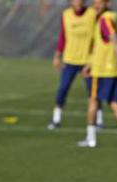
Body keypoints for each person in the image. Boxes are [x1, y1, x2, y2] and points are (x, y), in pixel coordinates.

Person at [77, 0, 117, 148]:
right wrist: (89, 63)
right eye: (94, 3)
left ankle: (91, 138)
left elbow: (114, 40)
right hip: (113, 69)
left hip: (103, 70)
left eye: (99, 2)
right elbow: (103, 46)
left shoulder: (105, 19)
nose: (96, 5)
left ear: (107, 3)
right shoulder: (110, 17)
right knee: (113, 102)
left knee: (93, 101)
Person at [48, 0, 104, 130]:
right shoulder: (66, 14)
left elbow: (98, 36)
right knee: (63, 88)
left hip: (87, 62)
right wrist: (57, 56)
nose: (77, 2)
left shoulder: (92, 13)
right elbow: (63, 37)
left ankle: (99, 120)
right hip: (70, 60)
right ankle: (56, 119)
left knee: (94, 93)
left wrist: (94, 59)